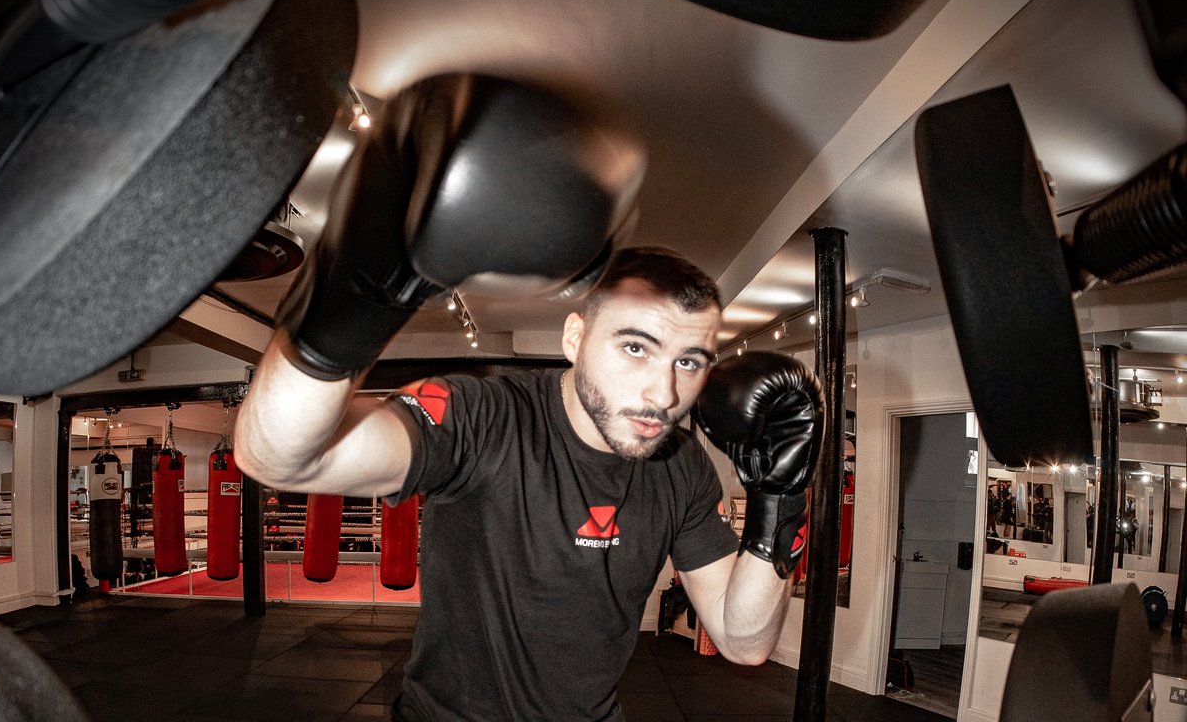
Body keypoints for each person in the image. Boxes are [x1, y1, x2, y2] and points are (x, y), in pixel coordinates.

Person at [235, 75, 821, 721]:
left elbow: (744, 644)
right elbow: (281, 461)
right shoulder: (483, 415)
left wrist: (779, 501)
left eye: (689, 360)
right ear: (576, 336)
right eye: (635, 348)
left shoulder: (677, 462)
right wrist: (349, 301)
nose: (664, 392)